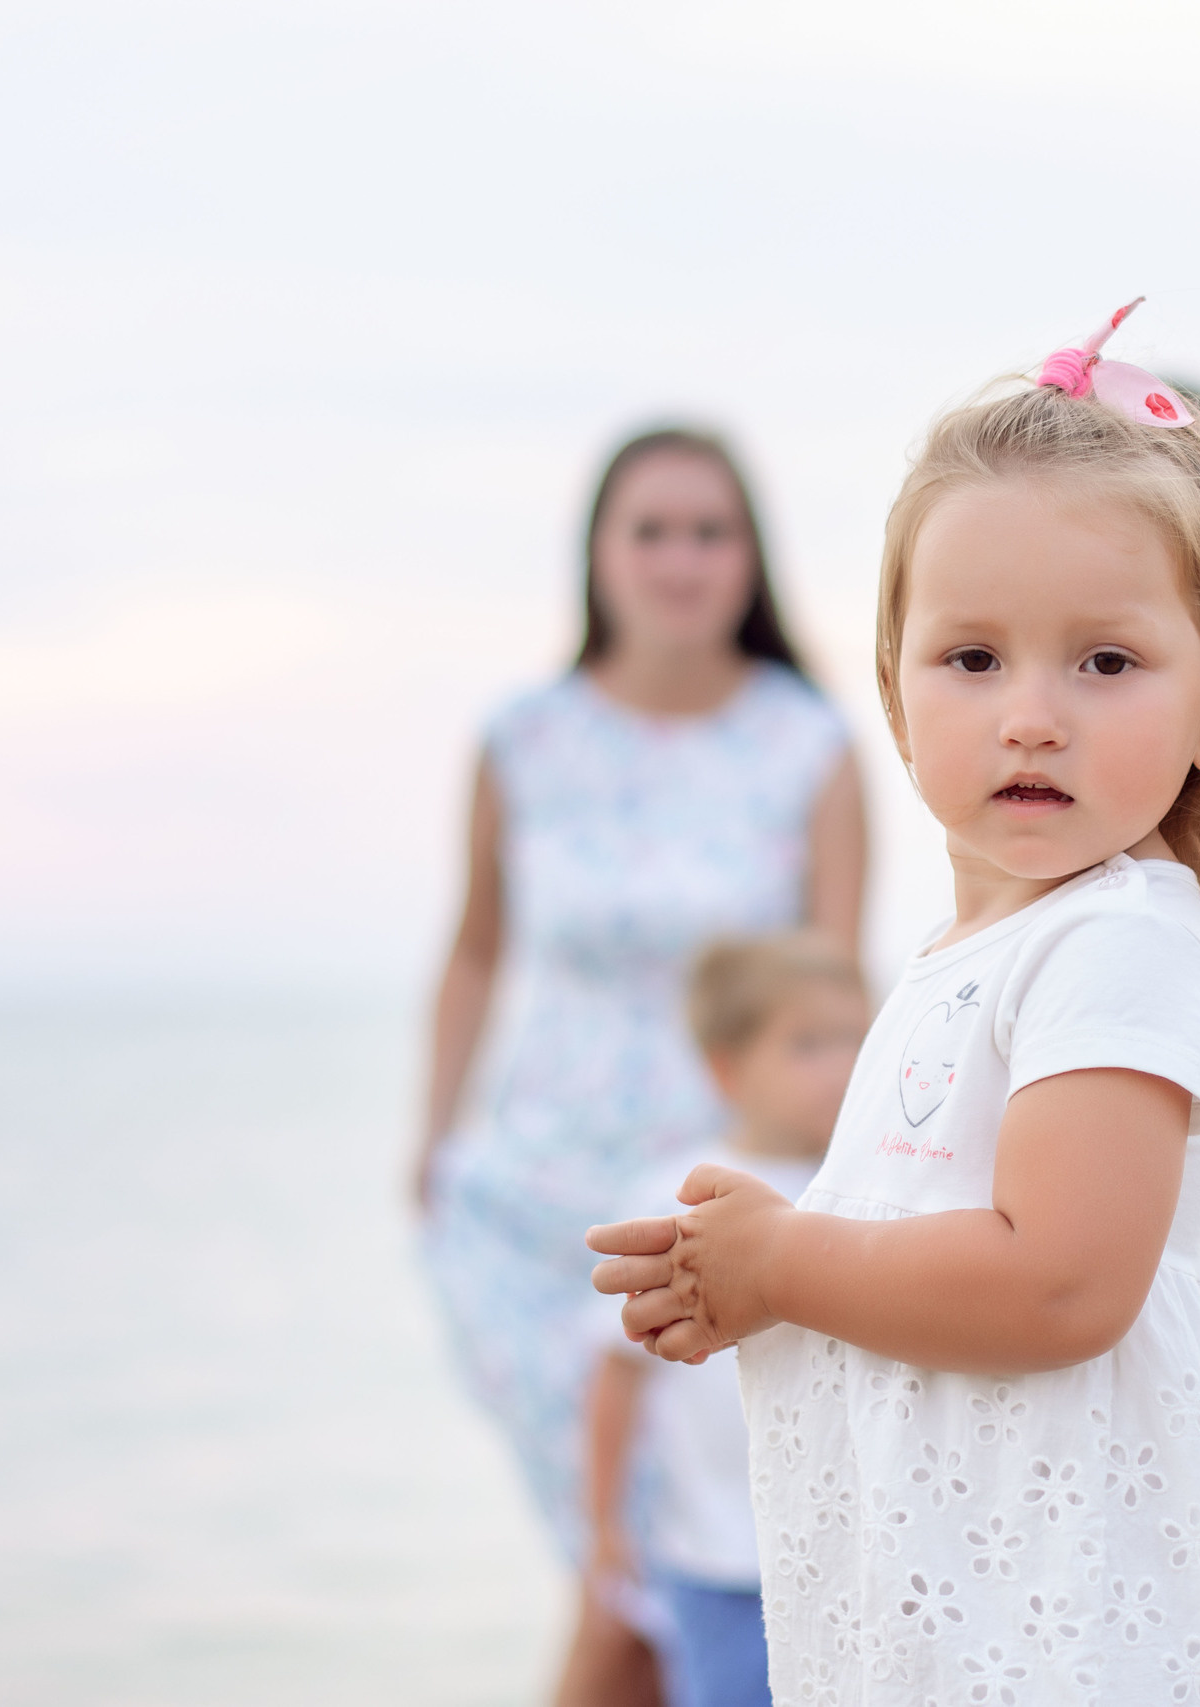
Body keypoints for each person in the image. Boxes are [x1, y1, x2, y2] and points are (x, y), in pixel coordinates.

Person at [588, 301, 1200, 1705]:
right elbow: (916, 1261)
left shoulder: (1121, 943)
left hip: (1093, 1646)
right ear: (894, 694)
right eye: (973, 657)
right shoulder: (963, 957)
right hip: (976, 1632)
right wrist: (742, 1279)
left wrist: (785, 1263)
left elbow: (1057, 1280)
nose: (1032, 715)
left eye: (1106, 661)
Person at [415, 428, 867, 1707]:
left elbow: (835, 986)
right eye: (650, 531)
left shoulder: (807, 743)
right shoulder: (524, 738)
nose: (680, 561)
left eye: (709, 532)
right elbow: (474, 950)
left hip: (717, 1205)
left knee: (689, 1568)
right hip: (533, 1205)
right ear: (598, 554)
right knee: (612, 1571)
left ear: (750, 558)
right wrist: (430, 1143)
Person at [587, 934, 869, 1707]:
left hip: (852, 1551)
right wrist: (605, 1523)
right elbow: (617, 1373)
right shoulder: (674, 1196)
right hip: (713, 1553)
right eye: (808, 1044)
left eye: (856, 1039)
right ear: (727, 1067)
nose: (841, 1066)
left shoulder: (868, 1189)